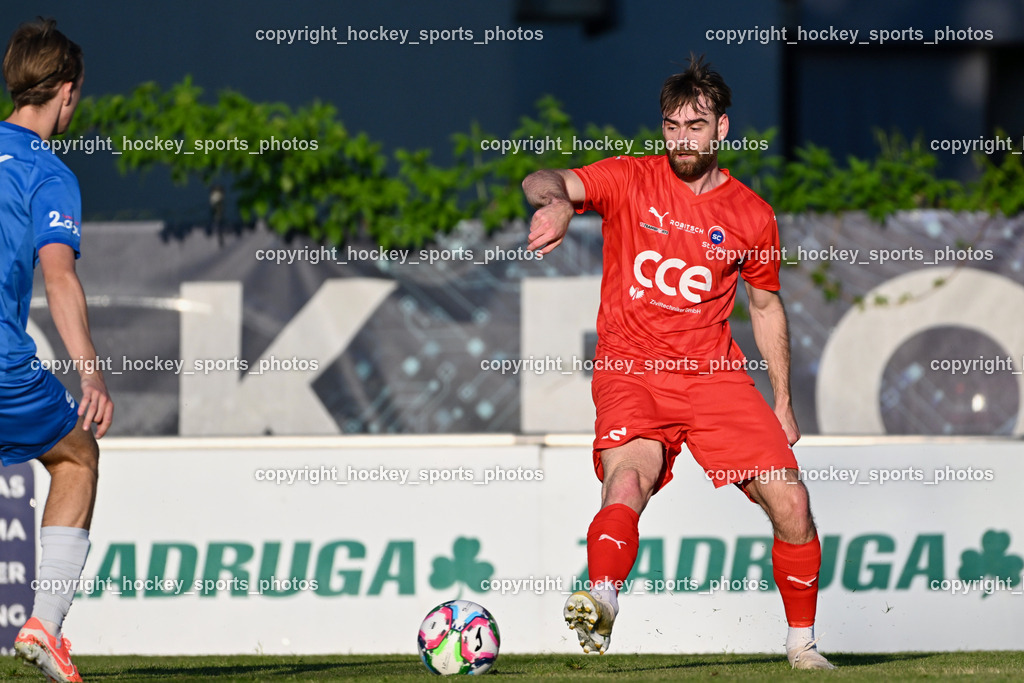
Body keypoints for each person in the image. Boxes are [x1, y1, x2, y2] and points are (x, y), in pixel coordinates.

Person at [522, 54, 833, 670]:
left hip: (714, 376)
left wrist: (784, 401)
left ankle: (803, 646)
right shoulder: (630, 178)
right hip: (631, 369)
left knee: (792, 502)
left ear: (722, 129)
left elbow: (766, 309)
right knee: (627, 481)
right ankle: (603, 598)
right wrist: (557, 204)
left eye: (695, 126)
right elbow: (545, 176)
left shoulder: (751, 215)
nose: (681, 138)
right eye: (671, 126)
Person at [2, 17, 113, 683]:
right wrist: (91, 370)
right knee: (77, 451)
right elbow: (60, 274)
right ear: (66, 93)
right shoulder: (48, 171)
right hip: (5, 368)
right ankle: (43, 623)